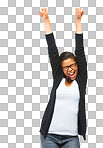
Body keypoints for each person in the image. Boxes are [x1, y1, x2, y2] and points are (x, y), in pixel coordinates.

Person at [39, 7, 87, 148]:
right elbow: (52, 49)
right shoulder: (58, 77)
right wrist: (46, 19)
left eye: (73, 65)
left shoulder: (81, 79)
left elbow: (80, 49)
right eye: (66, 67)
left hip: (71, 138)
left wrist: (78, 20)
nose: (71, 70)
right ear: (62, 69)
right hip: (49, 136)